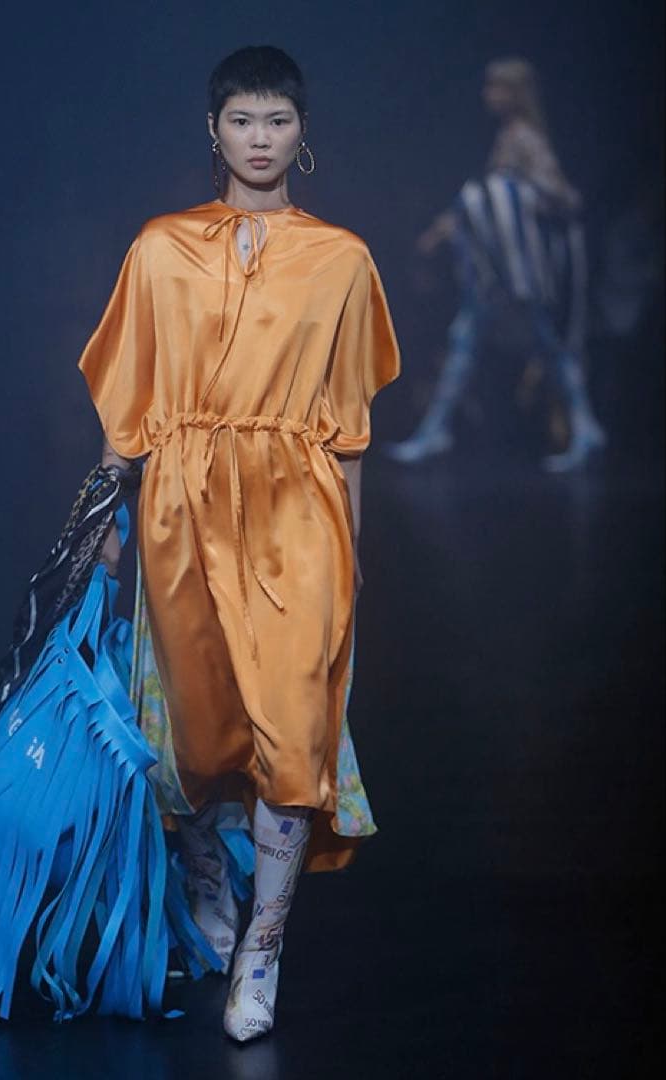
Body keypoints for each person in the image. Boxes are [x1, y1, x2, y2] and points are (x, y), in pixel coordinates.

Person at [78, 45, 399, 1041]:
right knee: (192, 725)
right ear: (212, 131)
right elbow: (127, 405)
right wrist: (102, 525)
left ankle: (263, 947)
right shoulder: (159, 248)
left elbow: (349, 428)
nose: (260, 140)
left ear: (303, 134)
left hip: (299, 513)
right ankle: (207, 875)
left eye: (278, 121)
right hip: (179, 507)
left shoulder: (341, 259)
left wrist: (352, 546)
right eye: (242, 121)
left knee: (292, 728)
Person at [385, 57, 605, 472]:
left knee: (544, 344)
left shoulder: (525, 139)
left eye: (496, 88)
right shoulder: (509, 137)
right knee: (465, 342)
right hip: (494, 270)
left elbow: (560, 195)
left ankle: (584, 424)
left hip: (515, 271)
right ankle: (436, 428)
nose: (488, 95)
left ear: (515, 93)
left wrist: (521, 199)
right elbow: (484, 202)